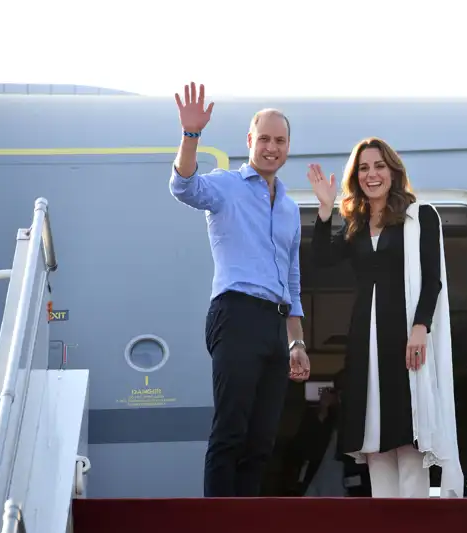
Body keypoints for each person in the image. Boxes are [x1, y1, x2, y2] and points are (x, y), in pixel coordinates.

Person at [168, 82, 311, 498]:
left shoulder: (287, 205)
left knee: (262, 439)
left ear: (288, 147)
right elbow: (184, 188)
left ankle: (246, 520)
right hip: (235, 315)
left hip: (275, 324)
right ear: (250, 141)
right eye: (264, 138)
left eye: (280, 140)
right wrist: (190, 135)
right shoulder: (227, 184)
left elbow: (293, 280)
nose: (271, 147)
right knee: (231, 429)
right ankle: (217, 522)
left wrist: (297, 343)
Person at [307, 137, 463, 498]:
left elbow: (432, 279)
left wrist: (420, 327)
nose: (371, 174)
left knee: (408, 439)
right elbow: (321, 261)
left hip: (404, 337)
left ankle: (414, 520)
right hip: (365, 340)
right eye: (363, 167)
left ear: (393, 171)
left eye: (378, 166)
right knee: (373, 439)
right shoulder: (357, 224)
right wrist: (326, 209)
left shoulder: (420, 215)